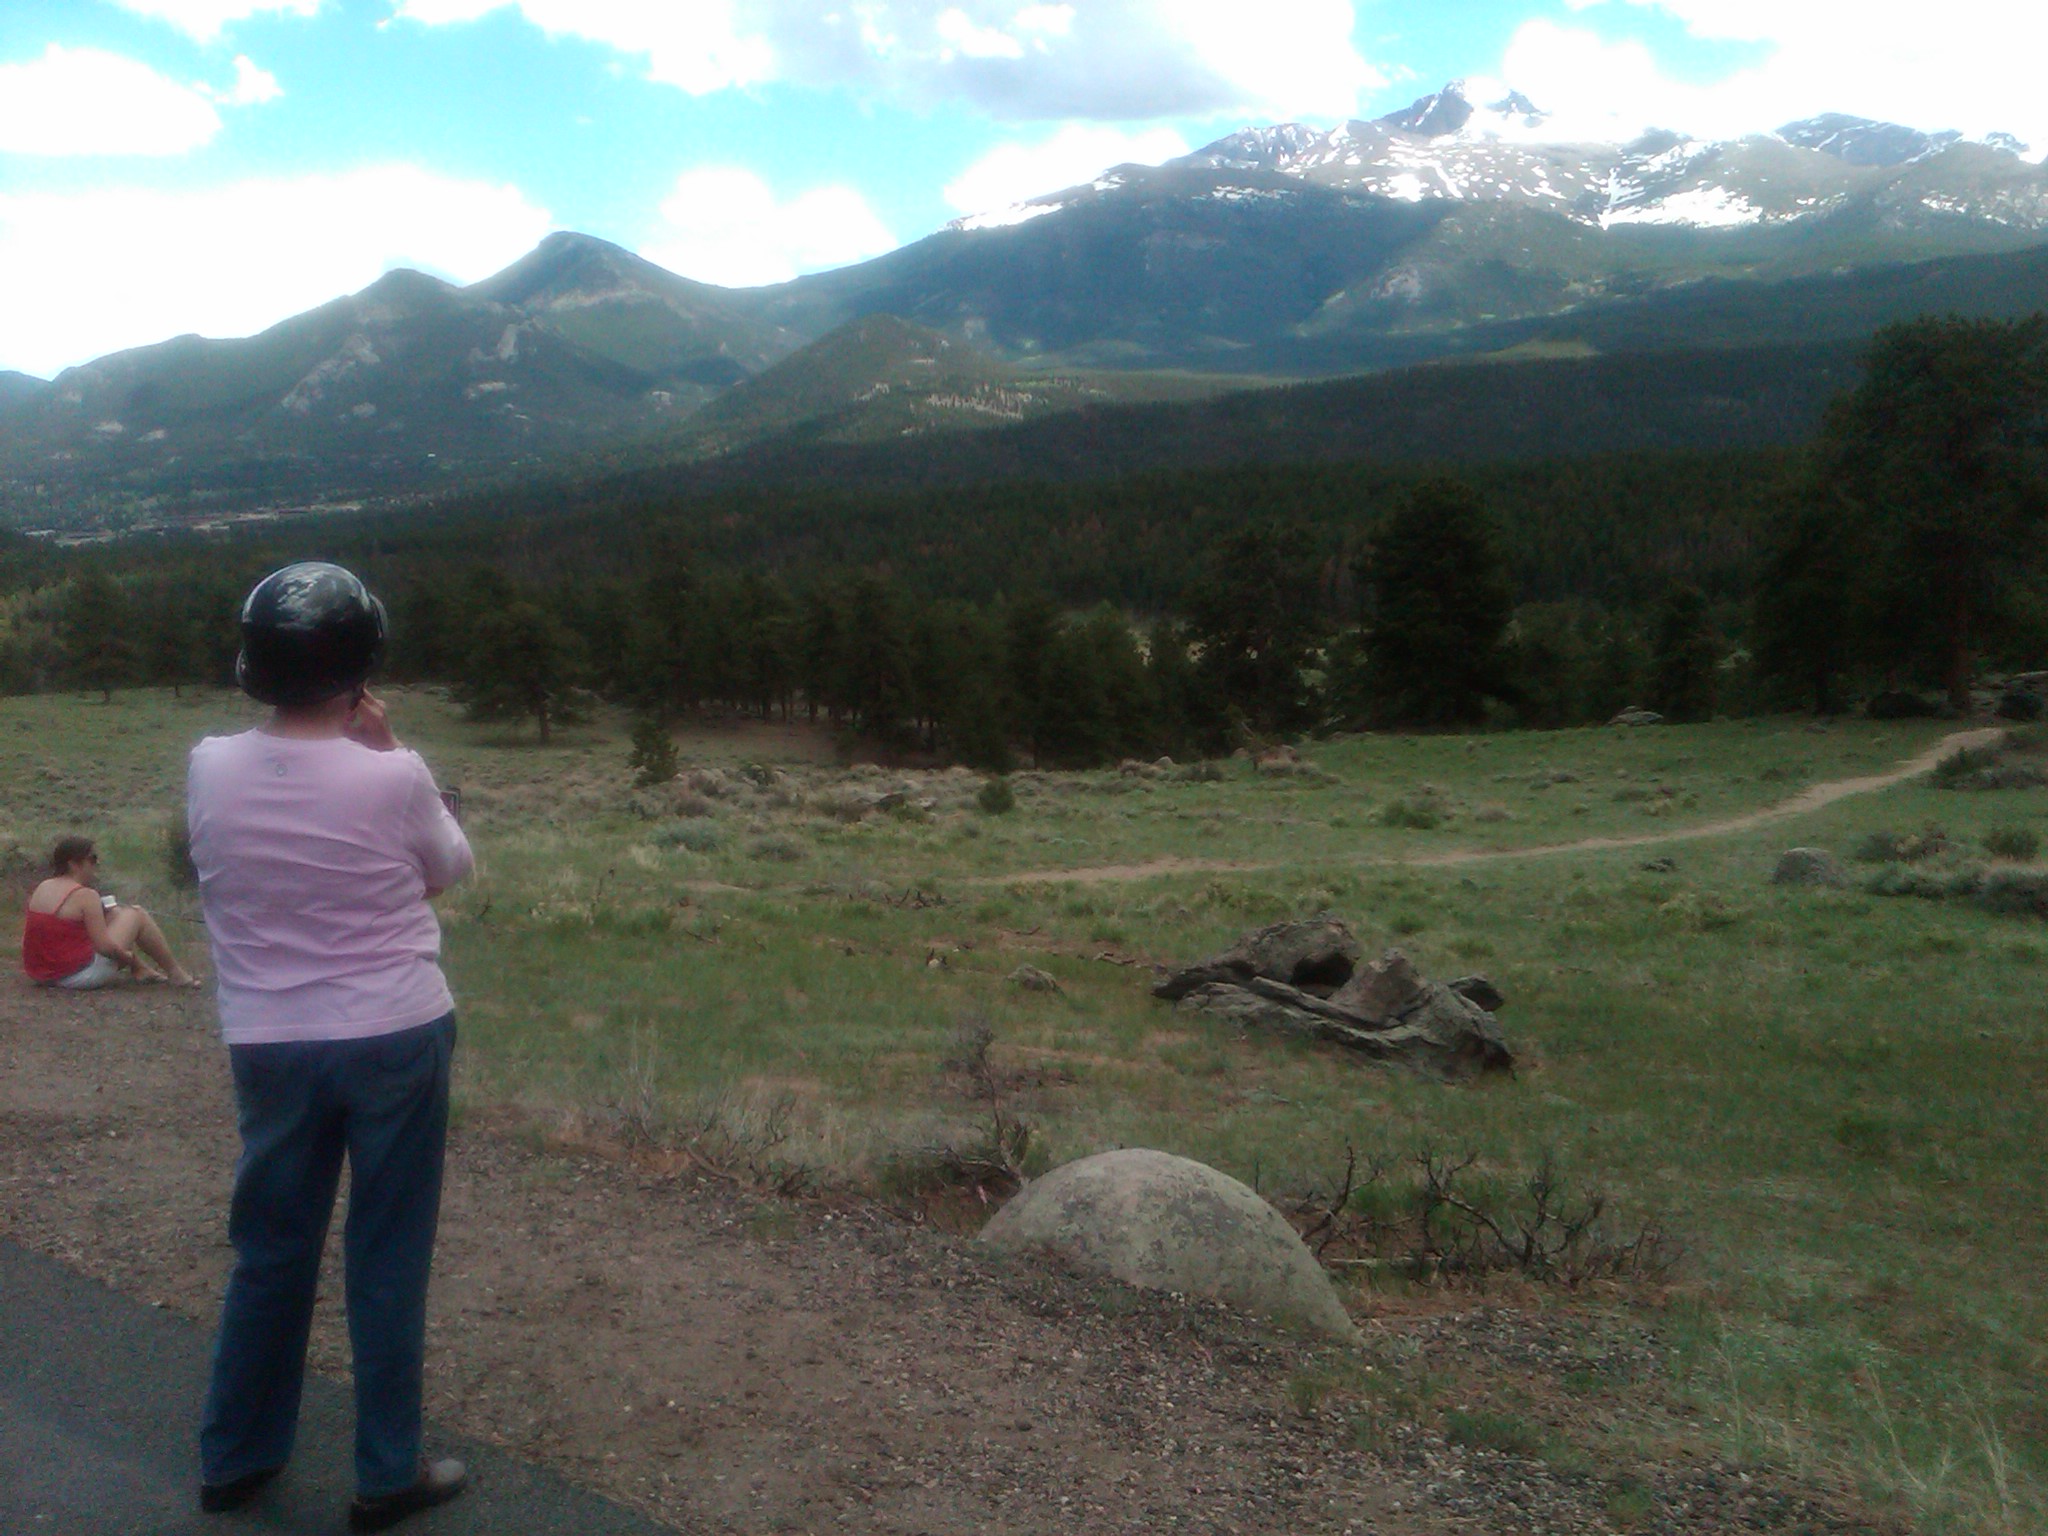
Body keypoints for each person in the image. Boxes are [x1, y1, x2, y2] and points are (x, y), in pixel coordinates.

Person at [188, 561, 474, 1532]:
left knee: (270, 1250)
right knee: (386, 1254)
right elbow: (449, 867)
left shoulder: (208, 765)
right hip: (394, 1030)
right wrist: (388, 746)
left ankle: (234, 1458)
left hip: (269, 1038)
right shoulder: (393, 774)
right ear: (359, 670)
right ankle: (386, 1473)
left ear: (256, 667)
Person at [21, 835, 199, 988]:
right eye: (92, 859)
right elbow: (104, 947)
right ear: (73, 864)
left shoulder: (43, 887)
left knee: (115, 914)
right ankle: (175, 973)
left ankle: (142, 969)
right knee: (137, 914)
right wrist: (128, 958)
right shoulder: (85, 895)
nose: (96, 865)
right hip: (75, 976)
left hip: (42, 974)